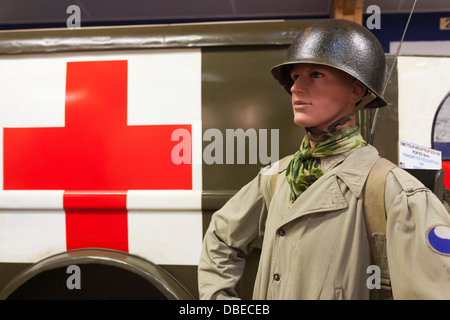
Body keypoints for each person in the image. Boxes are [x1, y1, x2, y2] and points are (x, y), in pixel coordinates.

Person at [198, 19, 450, 300]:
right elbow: (221, 237)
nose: (296, 88)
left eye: (316, 75)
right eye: (295, 77)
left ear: (357, 90)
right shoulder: (278, 177)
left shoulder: (395, 193)